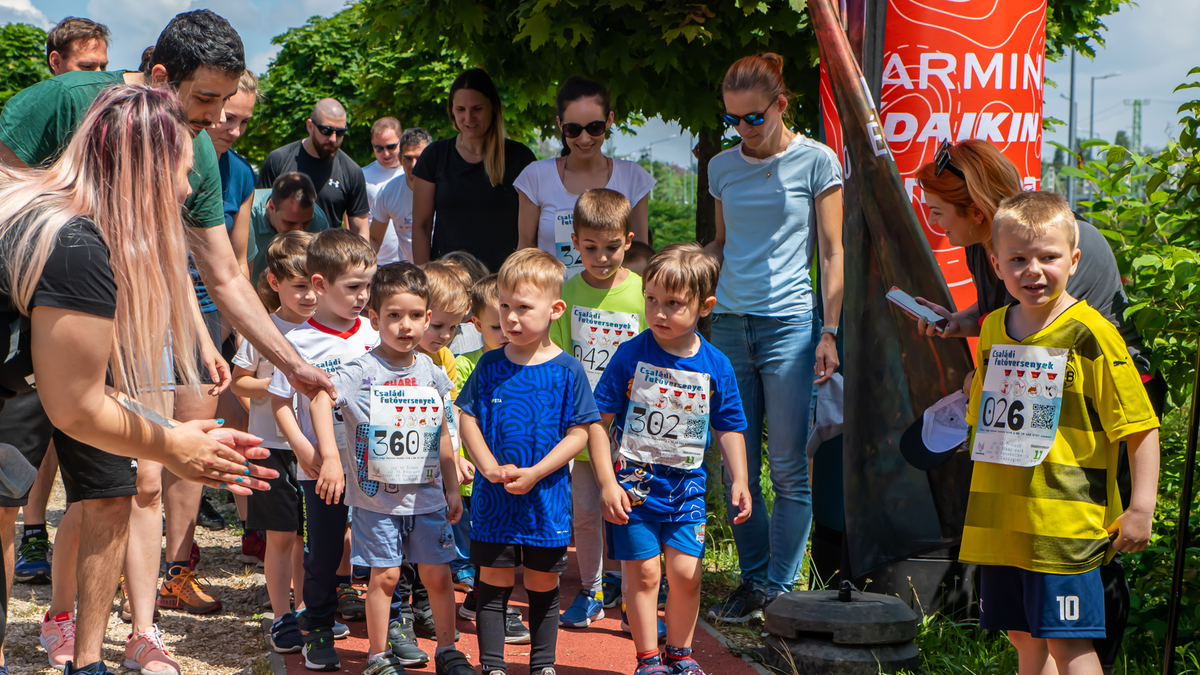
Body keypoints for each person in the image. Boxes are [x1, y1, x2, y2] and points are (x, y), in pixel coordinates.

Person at [0, 84, 274, 675]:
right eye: (181, 171)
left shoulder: (58, 223)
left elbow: (84, 390)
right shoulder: (75, 247)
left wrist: (174, 431)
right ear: (142, 169)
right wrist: (177, 444)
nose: (188, 189)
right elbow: (74, 408)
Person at [911, 140, 1161, 671]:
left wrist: (1140, 507)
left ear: (1071, 259)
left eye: (1047, 258)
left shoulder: (1090, 332)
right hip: (1005, 518)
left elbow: (1138, 423)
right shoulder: (997, 325)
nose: (1033, 271)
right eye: (1018, 260)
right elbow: (988, 405)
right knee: (1025, 638)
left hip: (1066, 518)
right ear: (998, 262)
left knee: (1070, 643)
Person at [0, 6, 335, 399]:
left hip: (114, 339)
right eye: (206, 98)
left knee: (110, 452)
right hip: (24, 328)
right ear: (160, 78)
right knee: (25, 456)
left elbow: (224, 274)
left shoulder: (202, 147)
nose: (215, 117)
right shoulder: (61, 102)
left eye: (224, 100)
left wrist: (291, 364)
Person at [704, 53, 844, 622]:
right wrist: (681, 271)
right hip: (730, 324)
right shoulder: (721, 167)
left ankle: (778, 590)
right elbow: (720, 244)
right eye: (732, 120)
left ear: (782, 106)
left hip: (791, 325)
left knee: (787, 467)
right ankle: (754, 579)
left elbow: (832, 253)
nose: (744, 130)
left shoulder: (817, 161)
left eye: (754, 118)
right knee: (736, 467)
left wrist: (828, 331)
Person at [307, 262, 476, 675]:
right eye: (394, 316)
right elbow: (319, 399)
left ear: (428, 317)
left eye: (416, 316)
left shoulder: (433, 373)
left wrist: (452, 488)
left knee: (438, 577)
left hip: (428, 496)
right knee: (384, 578)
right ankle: (378, 657)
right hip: (376, 501)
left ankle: (448, 650)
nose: (406, 326)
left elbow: (443, 434)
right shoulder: (361, 371)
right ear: (374, 318)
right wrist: (331, 456)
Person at [593, 243, 754, 675]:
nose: (659, 312)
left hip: (686, 490)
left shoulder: (715, 365)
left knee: (685, 574)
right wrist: (607, 481)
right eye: (651, 300)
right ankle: (648, 660)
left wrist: (740, 478)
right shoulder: (630, 354)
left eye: (673, 304)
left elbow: (730, 425)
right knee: (644, 576)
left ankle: (680, 654)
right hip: (633, 489)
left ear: (705, 306)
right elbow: (596, 421)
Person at [456, 248, 600, 675]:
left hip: (547, 499)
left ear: (555, 310)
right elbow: (467, 417)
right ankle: (494, 666)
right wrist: (486, 466)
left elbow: (580, 431)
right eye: (504, 307)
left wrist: (538, 472)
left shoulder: (568, 370)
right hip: (493, 498)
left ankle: (542, 665)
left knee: (542, 584)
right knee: (493, 583)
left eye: (523, 308)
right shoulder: (488, 364)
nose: (510, 318)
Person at [11, 14, 112, 590]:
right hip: (32, 279)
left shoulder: (106, 123)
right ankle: (30, 527)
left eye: (103, 68)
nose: (95, 81)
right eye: (84, 68)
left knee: (74, 409)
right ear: (56, 64)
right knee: (39, 415)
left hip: (83, 276)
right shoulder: (33, 112)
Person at [271, 230, 379, 672]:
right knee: (326, 549)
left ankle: (390, 627)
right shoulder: (298, 341)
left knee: (378, 548)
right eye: (352, 287)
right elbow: (280, 401)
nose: (362, 297)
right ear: (320, 285)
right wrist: (302, 447)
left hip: (375, 464)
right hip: (320, 467)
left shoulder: (374, 333)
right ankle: (316, 625)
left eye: (367, 286)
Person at [547, 188, 647, 630]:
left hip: (632, 430)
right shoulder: (566, 292)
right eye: (590, 248)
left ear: (628, 241)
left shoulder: (643, 292)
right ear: (575, 243)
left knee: (631, 514)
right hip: (585, 427)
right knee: (585, 514)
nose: (601, 257)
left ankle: (632, 598)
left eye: (611, 248)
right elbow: (561, 358)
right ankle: (590, 591)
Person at [232, 232, 318, 654]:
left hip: (319, 449)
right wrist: (279, 381)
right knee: (282, 536)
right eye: (298, 286)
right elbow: (240, 383)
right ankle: (282, 614)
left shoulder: (330, 329)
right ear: (274, 282)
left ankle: (307, 609)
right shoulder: (261, 328)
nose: (308, 296)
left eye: (315, 285)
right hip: (271, 444)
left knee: (311, 537)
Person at [516, 77, 654, 277]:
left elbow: (641, 256)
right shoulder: (535, 176)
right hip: (552, 302)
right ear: (560, 124)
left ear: (609, 120)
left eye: (594, 127)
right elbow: (525, 252)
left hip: (612, 306)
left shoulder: (633, 177)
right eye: (572, 130)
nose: (584, 138)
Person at [411, 69, 536, 272]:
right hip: (449, 286)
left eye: (477, 108)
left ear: (493, 107)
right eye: (460, 109)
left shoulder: (520, 158)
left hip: (503, 284)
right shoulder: (434, 156)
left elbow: (531, 234)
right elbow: (421, 226)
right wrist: (424, 279)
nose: (468, 118)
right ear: (451, 110)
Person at [257, 98, 370, 238]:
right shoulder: (279, 160)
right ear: (310, 126)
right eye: (326, 131)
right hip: (280, 253)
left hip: (326, 255)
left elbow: (360, 231)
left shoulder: (352, 171)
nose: (333, 139)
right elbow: (260, 211)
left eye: (340, 132)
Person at [247, 173, 333, 283]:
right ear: (272, 207)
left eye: (306, 223)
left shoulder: (318, 220)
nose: (298, 230)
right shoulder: (246, 216)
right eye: (290, 223)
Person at [371, 128, 433, 264]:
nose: (414, 165)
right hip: (408, 275)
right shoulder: (388, 192)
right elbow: (374, 239)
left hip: (442, 274)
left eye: (420, 158)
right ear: (399, 159)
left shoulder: (444, 190)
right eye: (408, 159)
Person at [363, 117, 406, 264]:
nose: (386, 154)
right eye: (379, 148)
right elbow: (352, 221)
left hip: (410, 260)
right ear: (372, 145)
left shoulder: (413, 173)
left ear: (402, 142)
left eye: (391, 147)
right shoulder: (363, 176)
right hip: (377, 261)